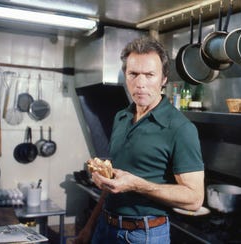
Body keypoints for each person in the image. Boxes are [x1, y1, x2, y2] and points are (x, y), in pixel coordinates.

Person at [75, 36, 204, 244]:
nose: (140, 83)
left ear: (163, 79)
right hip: (104, 228)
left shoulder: (180, 128)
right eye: (133, 74)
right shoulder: (122, 117)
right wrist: (90, 227)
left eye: (149, 75)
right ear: (125, 76)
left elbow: (195, 199)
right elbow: (113, 185)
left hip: (143, 234)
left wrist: (138, 185)